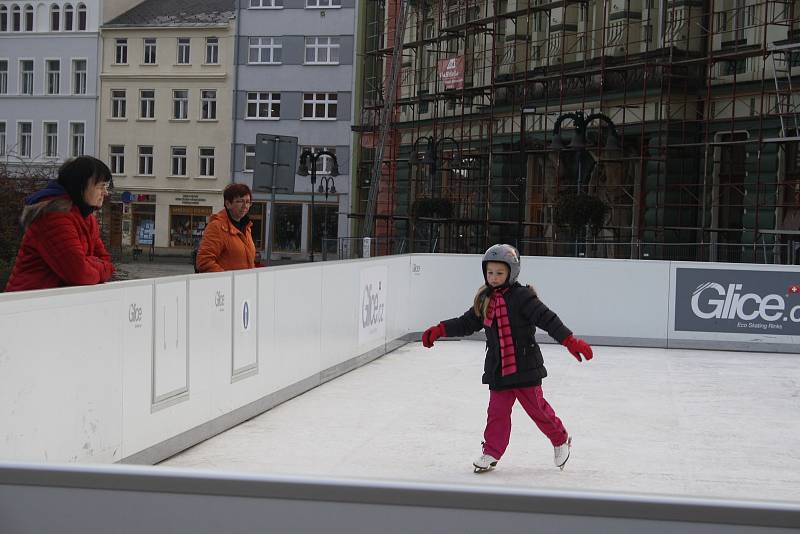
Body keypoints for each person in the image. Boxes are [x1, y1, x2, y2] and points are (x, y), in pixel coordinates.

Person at [421, 244, 594, 473]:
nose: (493, 278)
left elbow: (547, 319)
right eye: (490, 273)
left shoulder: (523, 297)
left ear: (512, 273)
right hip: (499, 369)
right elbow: (466, 323)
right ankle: (492, 451)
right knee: (497, 413)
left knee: (538, 410)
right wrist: (441, 329)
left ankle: (561, 439)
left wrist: (569, 340)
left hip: (524, 367)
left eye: (499, 273)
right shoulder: (484, 300)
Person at [5, 156, 114, 292]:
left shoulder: (86, 217)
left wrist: (88, 263)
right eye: (101, 186)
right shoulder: (54, 216)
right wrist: (94, 265)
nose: (105, 192)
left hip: (53, 302)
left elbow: (107, 262)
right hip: (27, 304)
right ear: (81, 186)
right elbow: (80, 274)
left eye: (106, 186)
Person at [196, 183, 257, 272]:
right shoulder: (217, 227)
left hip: (243, 284)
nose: (245, 206)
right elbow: (204, 261)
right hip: (225, 284)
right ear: (228, 204)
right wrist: (227, 280)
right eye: (240, 201)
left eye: (248, 202)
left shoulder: (246, 227)